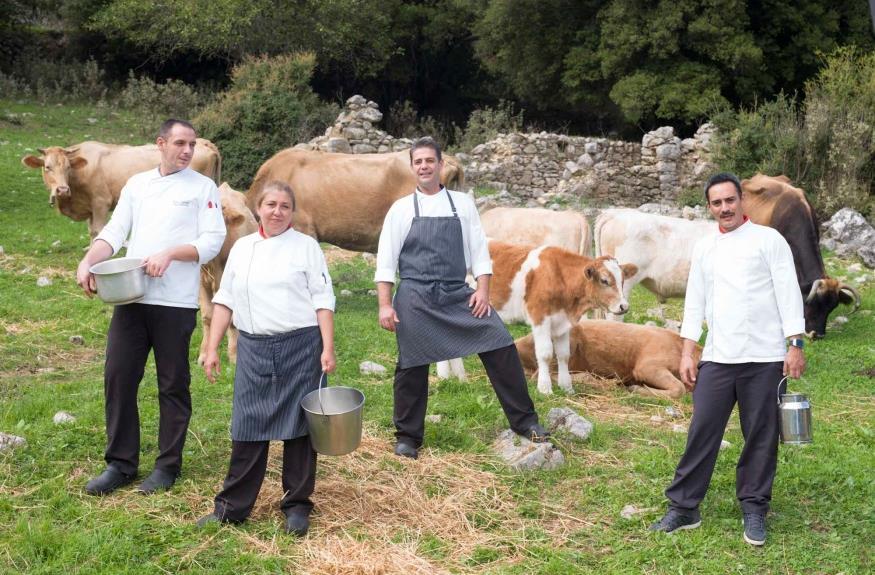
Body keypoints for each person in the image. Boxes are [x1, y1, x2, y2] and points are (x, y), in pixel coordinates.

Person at [650, 172, 806, 546]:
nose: (725, 208)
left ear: (742, 201)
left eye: (730, 200)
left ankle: (754, 507)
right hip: (718, 357)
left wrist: (795, 343)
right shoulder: (705, 248)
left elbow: (789, 293)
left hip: (765, 356)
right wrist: (688, 350)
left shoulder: (769, 241)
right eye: (717, 203)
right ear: (710, 207)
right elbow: (695, 302)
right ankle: (685, 507)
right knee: (702, 428)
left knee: (761, 435)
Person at [76, 119, 226, 495]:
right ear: (161, 144)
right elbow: (114, 231)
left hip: (174, 303)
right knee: (119, 376)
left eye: (192, 144)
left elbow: (212, 239)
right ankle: (121, 464)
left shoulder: (202, 188)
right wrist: (88, 259)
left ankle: (167, 466)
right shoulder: (138, 185)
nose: (188, 150)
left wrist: (173, 253)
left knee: (173, 383)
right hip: (131, 297)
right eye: (180, 143)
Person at [374, 136, 548, 460]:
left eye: (430, 160)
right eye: (418, 162)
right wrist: (385, 304)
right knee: (411, 363)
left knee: (499, 343)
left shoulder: (462, 203)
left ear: (441, 165)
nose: (424, 166)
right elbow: (385, 262)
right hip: (415, 295)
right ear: (413, 168)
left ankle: (525, 422)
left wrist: (482, 290)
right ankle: (408, 437)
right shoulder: (400, 210)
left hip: (457, 293)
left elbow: (480, 252)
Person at [198, 181, 336, 536]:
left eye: (285, 206)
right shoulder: (243, 248)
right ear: (257, 208)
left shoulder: (306, 248)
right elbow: (224, 299)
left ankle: (296, 506)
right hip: (254, 349)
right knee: (247, 427)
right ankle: (232, 507)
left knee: (300, 430)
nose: (277, 211)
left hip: (301, 346)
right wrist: (212, 347)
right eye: (271, 204)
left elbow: (323, 299)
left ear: (292, 212)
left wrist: (327, 347)